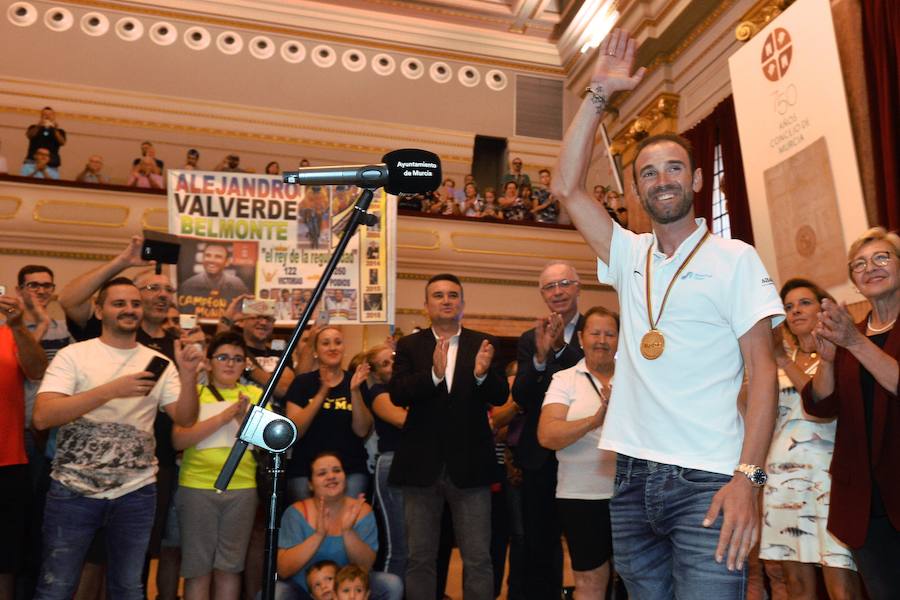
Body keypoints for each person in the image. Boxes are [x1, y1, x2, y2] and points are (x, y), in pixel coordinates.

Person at [553, 28, 784, 597]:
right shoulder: (628, 252)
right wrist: (600, 92)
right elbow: (565, 186)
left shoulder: (735, 258)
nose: (663, 181)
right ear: (636, 190)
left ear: (697, 179)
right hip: (630, 479)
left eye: (675, 169)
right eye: (649, 173)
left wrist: (748, 479)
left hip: (708, 479)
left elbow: (764, 376)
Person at [31, 277, 202, 600]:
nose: (129, 310)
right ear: (99, 310)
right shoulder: (74, 356)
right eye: (119, 303)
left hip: (136, 493)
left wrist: (190, 376)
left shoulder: (159, 364)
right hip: (72, 491)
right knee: (57, 586)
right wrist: (112, 390)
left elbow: (186, 417)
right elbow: (42, 416)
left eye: (135, 304)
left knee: (128, 587)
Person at [388, 273, 508, 600]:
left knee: (478, 559)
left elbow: (500, 395)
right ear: (426, 305)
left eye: (452, 295)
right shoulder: (411, 345)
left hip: (471, 466)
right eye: (438, 295)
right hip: (420, 466)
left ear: (462, 303)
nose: (445, 300)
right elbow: (398, 394)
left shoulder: (482, 343)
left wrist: (483, 376)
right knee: (420, 559)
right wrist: (432, 375)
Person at [802, 227, 900, 599]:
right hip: (865, 502)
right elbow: (821, 404)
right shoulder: (848, 334)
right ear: (855, 283)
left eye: (881, 258)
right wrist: (827, 360)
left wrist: (853, 343)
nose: (870, 267)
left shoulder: (852, 337)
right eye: (859, 264)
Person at [760, 278, 862, 599]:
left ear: (823, 307)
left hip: (830, 480)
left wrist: (783, 362)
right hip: (782, 482)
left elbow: (821, 402)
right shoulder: (777, 360)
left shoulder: (842, 354)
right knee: (796, 586)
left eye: (804, 302)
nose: (795, 311)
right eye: (788, 307)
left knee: (840, 580)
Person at [511, 262, 584, 599]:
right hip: (540, 456)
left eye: (564, 283)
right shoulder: (530, 338)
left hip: (588, 452)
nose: (557, 292)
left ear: (577, 286)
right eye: (549, 287)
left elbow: (591, 378)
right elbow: (522, 396)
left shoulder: (597, 330)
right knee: (540, 542)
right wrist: (540, 357)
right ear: (542, 294)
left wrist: (558, 349)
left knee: (590, 540)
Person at [538, 306, 618, 600]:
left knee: (640, 580)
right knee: (590, 582)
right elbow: (547, 435)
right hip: (581, 496)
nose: (602, 340)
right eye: (595, 333)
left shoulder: (636, 378)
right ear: (581, 339)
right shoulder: (565, 379)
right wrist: (594, 421)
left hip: (632, 496)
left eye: (610, 334)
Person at [172, 332, 260, 600]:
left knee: (230, 567)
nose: (230, 364)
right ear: (209, 362)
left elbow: (264, 444)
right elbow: (178, 439)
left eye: (237, 359)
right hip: (196, 487)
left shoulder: (255, 393)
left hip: (243, 489)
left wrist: (243, 418)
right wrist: (223, 417)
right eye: (222, 357)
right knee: (198, 569)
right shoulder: (194, 393)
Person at [275, 452, 403, 600]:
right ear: (310, 484)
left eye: (337, 470)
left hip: (350, 592)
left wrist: (348, 531)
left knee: (391, 584)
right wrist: (318, 535)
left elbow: (365, 567)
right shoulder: (295, 513)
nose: (331, 476)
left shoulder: (361, 511)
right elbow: (283, 570)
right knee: (277, 592)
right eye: (322, 473)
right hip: (305, 592)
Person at [284, 327, 373, 502]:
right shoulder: (302, 383)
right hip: (306, 470)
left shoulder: (356, 382)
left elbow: (362, 431)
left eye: (338, 342)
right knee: (309, 527)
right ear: (316, 351)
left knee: (345, 525)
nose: (333, 347)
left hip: (350, 468)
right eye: (325, 343)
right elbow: (294, 431)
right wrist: (322, 392)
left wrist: (354, 391)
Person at [0, 292, 48, 600]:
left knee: (5, 559)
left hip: (7, 460)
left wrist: (18, 326)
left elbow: (38, 370)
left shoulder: (10, 335)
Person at [362, 345, 407, 581]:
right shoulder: (379, 393)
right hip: (392, 464)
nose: (392, 366)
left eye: (394, 359)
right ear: (375, 372)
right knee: (398, 545)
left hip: (416, 464)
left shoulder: (409, 390)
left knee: (415, 545)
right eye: (384, 364)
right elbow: (404, 421)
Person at [180, 243, 250, 303]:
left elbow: (250, 310)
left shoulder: (237, 284)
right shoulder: (188, 285)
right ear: (202, 259)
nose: (212, 260)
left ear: (227, 262)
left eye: (218, 257)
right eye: (208, 255)